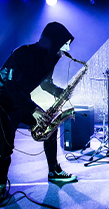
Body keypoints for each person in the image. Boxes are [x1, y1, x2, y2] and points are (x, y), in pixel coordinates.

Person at [0, 22, 77, 202]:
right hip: (2, 102)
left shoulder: (52, 57)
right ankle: (1, 185)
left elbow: (45, 83)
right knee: (4, 147)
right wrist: (33, 109)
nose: (68, 47)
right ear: (55, 40)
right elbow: (10, 86)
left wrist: (59, 91)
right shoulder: (23, 53)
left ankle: (54, 170)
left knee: (50, 124)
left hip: (21, 100)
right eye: (65, 43)